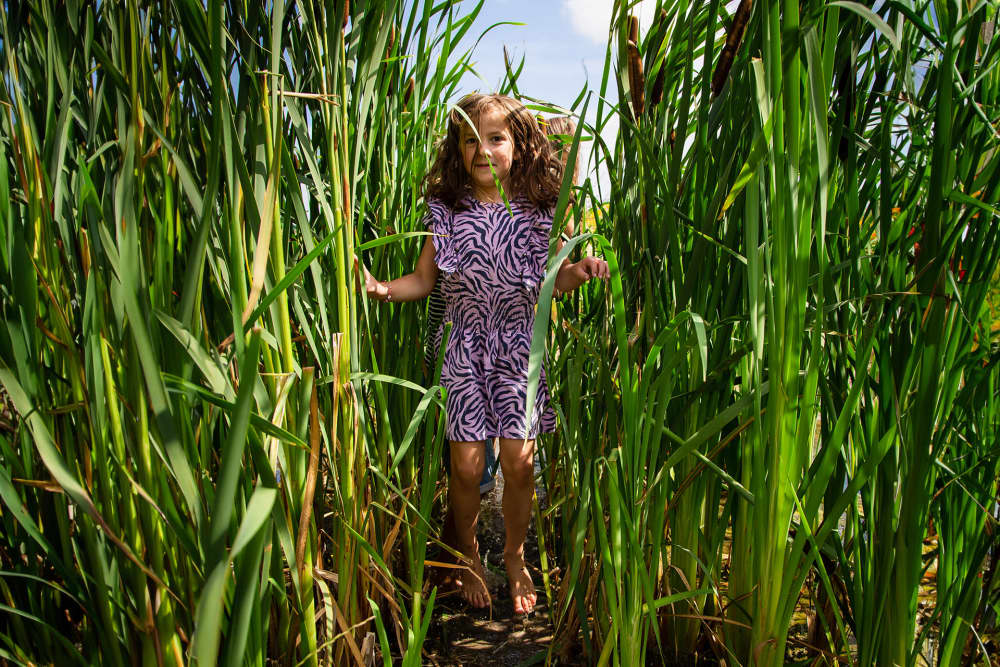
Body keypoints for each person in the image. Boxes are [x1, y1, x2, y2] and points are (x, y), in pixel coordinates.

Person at [361, 93, 608, 615]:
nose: (482, 148)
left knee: (519, 464)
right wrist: (381, 288)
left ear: (517, 146)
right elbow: (425, 280)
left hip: (521, 347)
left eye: (496, 137)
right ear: (457, 148)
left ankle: (515, 557)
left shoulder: (541, 210)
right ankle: (469, 553)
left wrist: (580, 271)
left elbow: (554, 280)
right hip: (466, 346)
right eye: (470, 137)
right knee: (468, 467)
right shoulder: (447, 210)